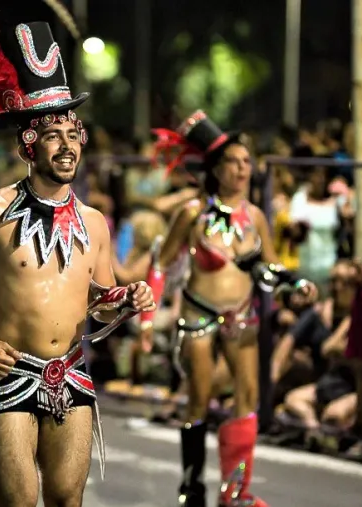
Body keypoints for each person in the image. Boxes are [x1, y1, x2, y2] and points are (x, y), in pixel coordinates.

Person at [0, 3, 155, 506]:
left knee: (68, 501)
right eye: (53, 137)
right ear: (29, 145)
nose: (67, 146)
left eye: (74, 135)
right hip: (8, 378)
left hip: (71, 373)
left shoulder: (94, 223)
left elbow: (98, 300)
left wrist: (126, 298)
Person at [144, 111, 317, 507]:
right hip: (197, 314)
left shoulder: (255, 217)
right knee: (199, 399)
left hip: (242, 315)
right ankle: (192, 487)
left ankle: (235, 491)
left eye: (246, 162)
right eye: (233, 162)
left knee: (248, 396)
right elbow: (161, 263)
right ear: (215, 169)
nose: (242, 169)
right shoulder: (192, 214)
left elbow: (269, 266)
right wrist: (148, 318)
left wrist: (295, 285)